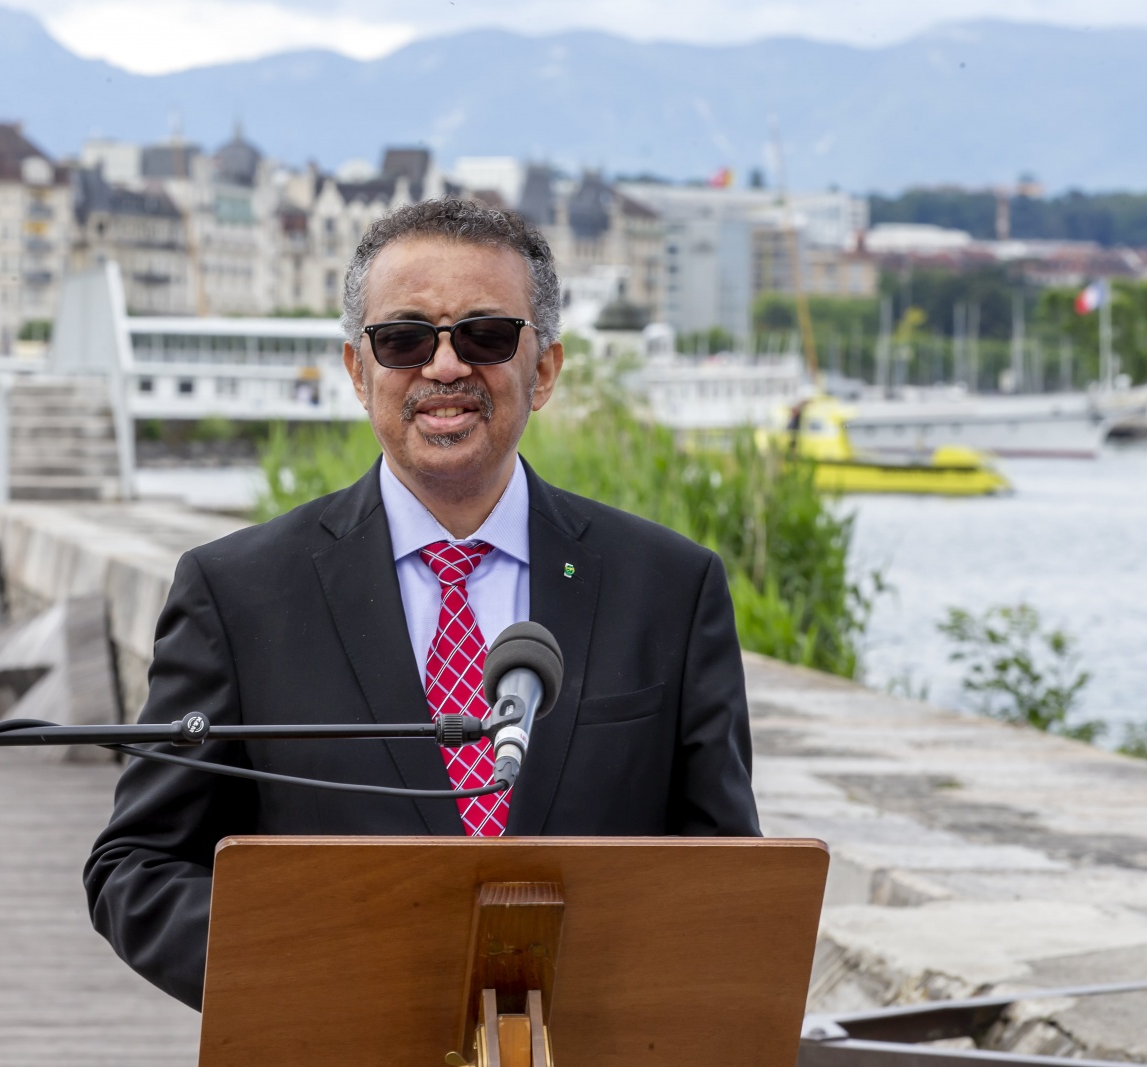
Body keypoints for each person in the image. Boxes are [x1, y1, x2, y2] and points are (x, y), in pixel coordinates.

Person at [84, 199, 760, 1010]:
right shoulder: (237, 593)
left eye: (484, 334)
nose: (444, 367)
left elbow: (725, 872)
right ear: (356, 368)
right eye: (404, 338)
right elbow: (138, 868)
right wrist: (324, 974)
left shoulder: (670, 589)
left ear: (542, 369)